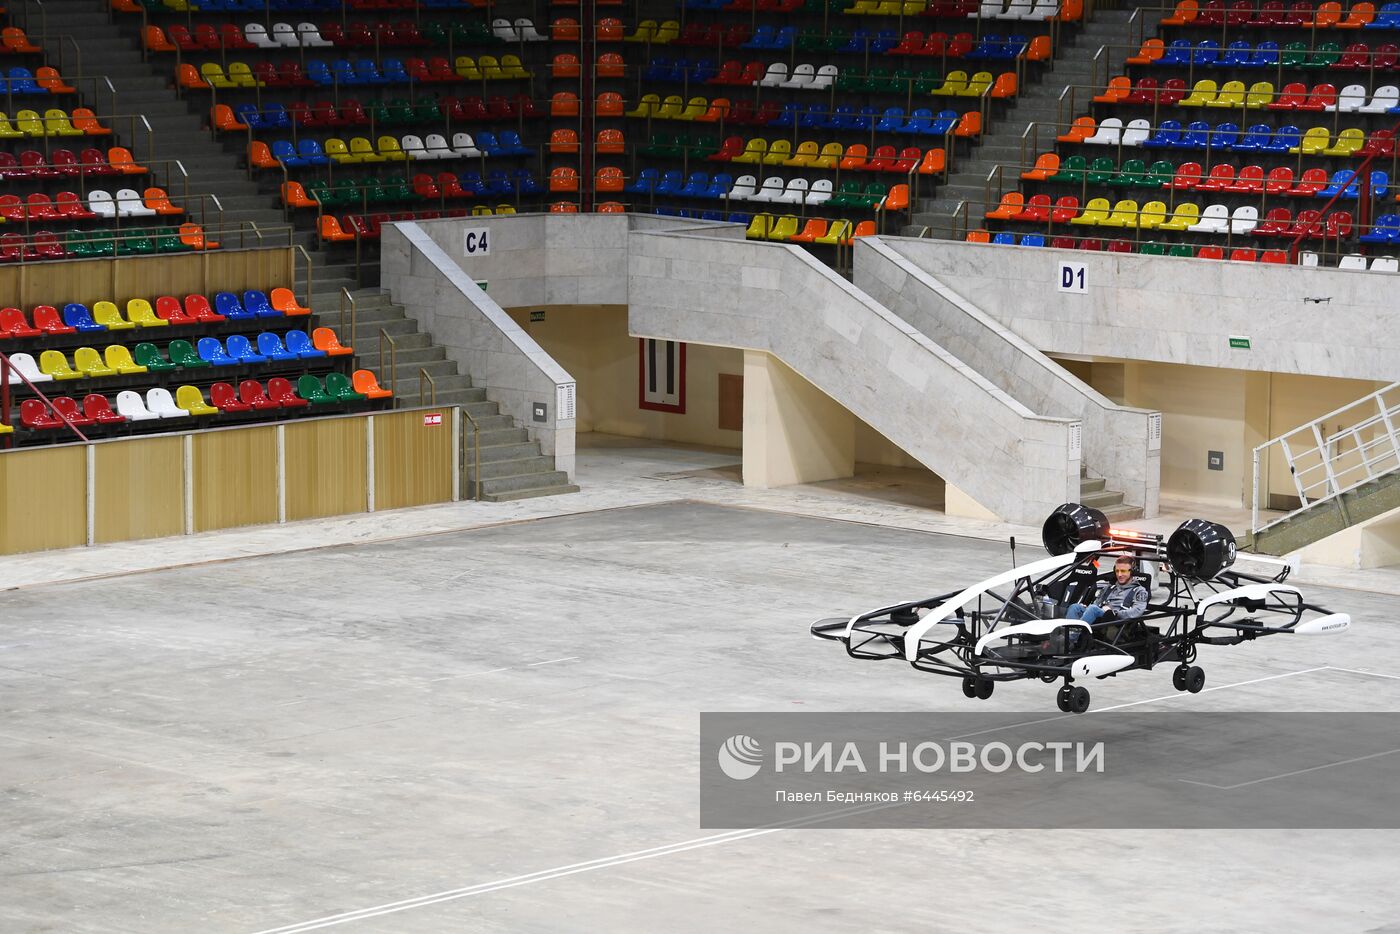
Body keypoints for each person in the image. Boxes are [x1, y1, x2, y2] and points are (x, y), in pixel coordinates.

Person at [1065, 556, 1148, 629]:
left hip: (1117, 620)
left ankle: (1070, 639)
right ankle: (1069, 635)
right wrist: (1087, 607)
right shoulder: (1109, 587)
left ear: (1132, 572)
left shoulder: (1139, 591)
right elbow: (1096, 603)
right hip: (1100, 615)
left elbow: (1137, 612)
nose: (1119, 575)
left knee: (1093, 609)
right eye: (1117, 571)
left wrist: (1114, 613)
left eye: (1123, 571)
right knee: (1075, 607)